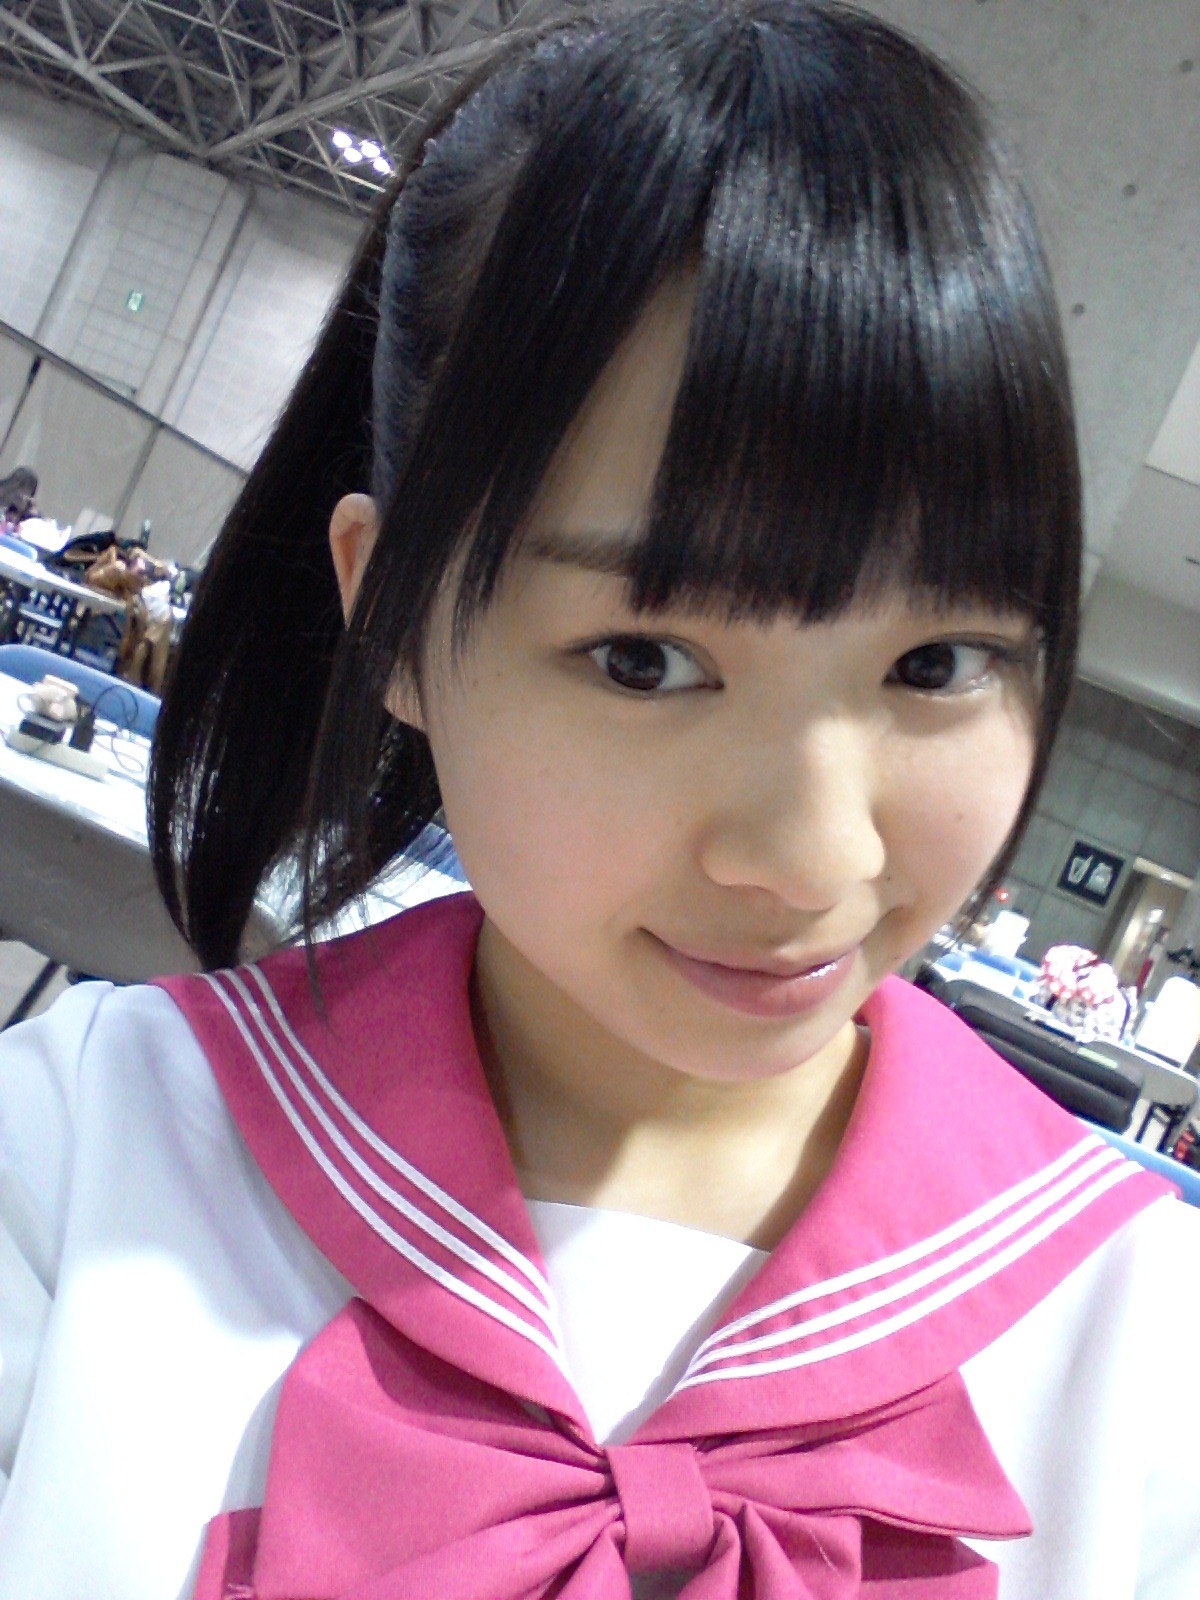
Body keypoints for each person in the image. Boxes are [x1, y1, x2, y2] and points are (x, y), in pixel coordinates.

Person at [0, 3, 1196, 1596]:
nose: (810, 858)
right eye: (644, 659)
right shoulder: (80, 1162)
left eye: (938, 663)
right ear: (391, 619)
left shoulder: (1147, 1349)